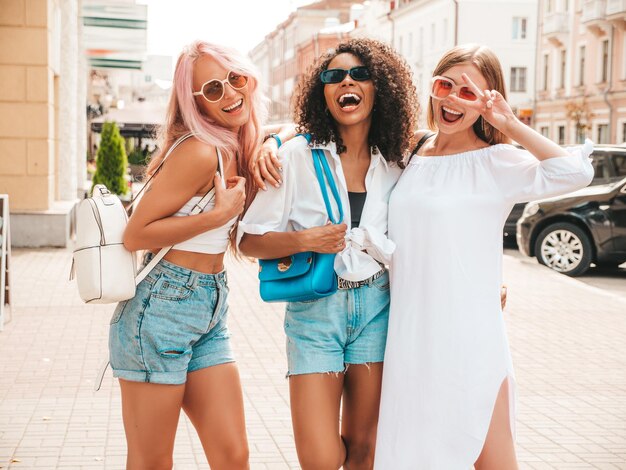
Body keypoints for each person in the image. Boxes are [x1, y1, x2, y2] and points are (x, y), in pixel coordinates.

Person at [374, 44, 594, 469]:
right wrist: (281, 138)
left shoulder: (498, 161)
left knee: (491, 459)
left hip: (469, 335)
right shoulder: (410, 154)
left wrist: (509, 124)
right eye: (446, 85)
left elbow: (574, 172)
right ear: (433, 88)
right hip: (409, 336)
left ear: (486, 101)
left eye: (469, 92)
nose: (453, 98)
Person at [238, 38, 418, 469]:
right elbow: (248, 241)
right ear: (322, 92)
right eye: (333, 76)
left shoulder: (399, 160)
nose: (346, 83)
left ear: (380, 88)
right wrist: (305, 240)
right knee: (318, 459)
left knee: (364, 449)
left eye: (359, 74)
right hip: (316, 312)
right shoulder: (296, 157)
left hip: (379, 306)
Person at [109, 40, 283, 470]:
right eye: (213, 90)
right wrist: (216, 217)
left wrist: (271, 143)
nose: (229, 94)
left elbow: (298, 125)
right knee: (153, 462)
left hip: (209, 306)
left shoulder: (239, 144)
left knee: (232, 455)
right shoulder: (200, 151)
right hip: (160, 311)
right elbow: (136, 235)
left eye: (234, 79)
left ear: (248, 78)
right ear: (196, 104)